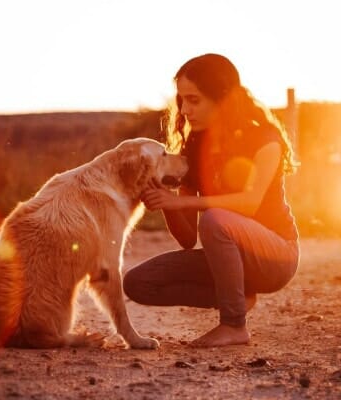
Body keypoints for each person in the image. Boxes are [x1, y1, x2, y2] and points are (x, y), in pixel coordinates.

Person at [123, 53, 300, 347]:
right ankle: (239, 298)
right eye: (181, 100)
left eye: (194, 100)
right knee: (138, 283)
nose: (184, 109)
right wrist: (160, 195)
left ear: (222, 98)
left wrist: (181, 203)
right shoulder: (195, 144)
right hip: (228, 258)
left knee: (215, 219)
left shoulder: (265, 139)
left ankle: (234, 325)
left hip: (276, 256)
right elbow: (188, 238)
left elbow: (249, 203)